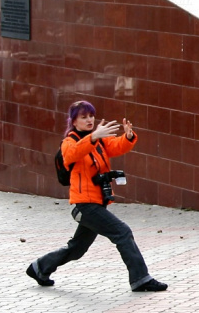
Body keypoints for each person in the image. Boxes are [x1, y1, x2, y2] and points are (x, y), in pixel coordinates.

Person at [26, 100, 168, 292]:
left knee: (77, 248)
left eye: (91, 116)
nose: (89, 120)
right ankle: (140, 279)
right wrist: (93, 137)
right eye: (84, 117)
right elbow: (72, 154)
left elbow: (116, 146)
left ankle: (39, 268)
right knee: (122, 232)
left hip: (97, 202)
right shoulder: (70, 142)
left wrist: (128, 136)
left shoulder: (98, 140)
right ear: (73, 121)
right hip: (85, 205)